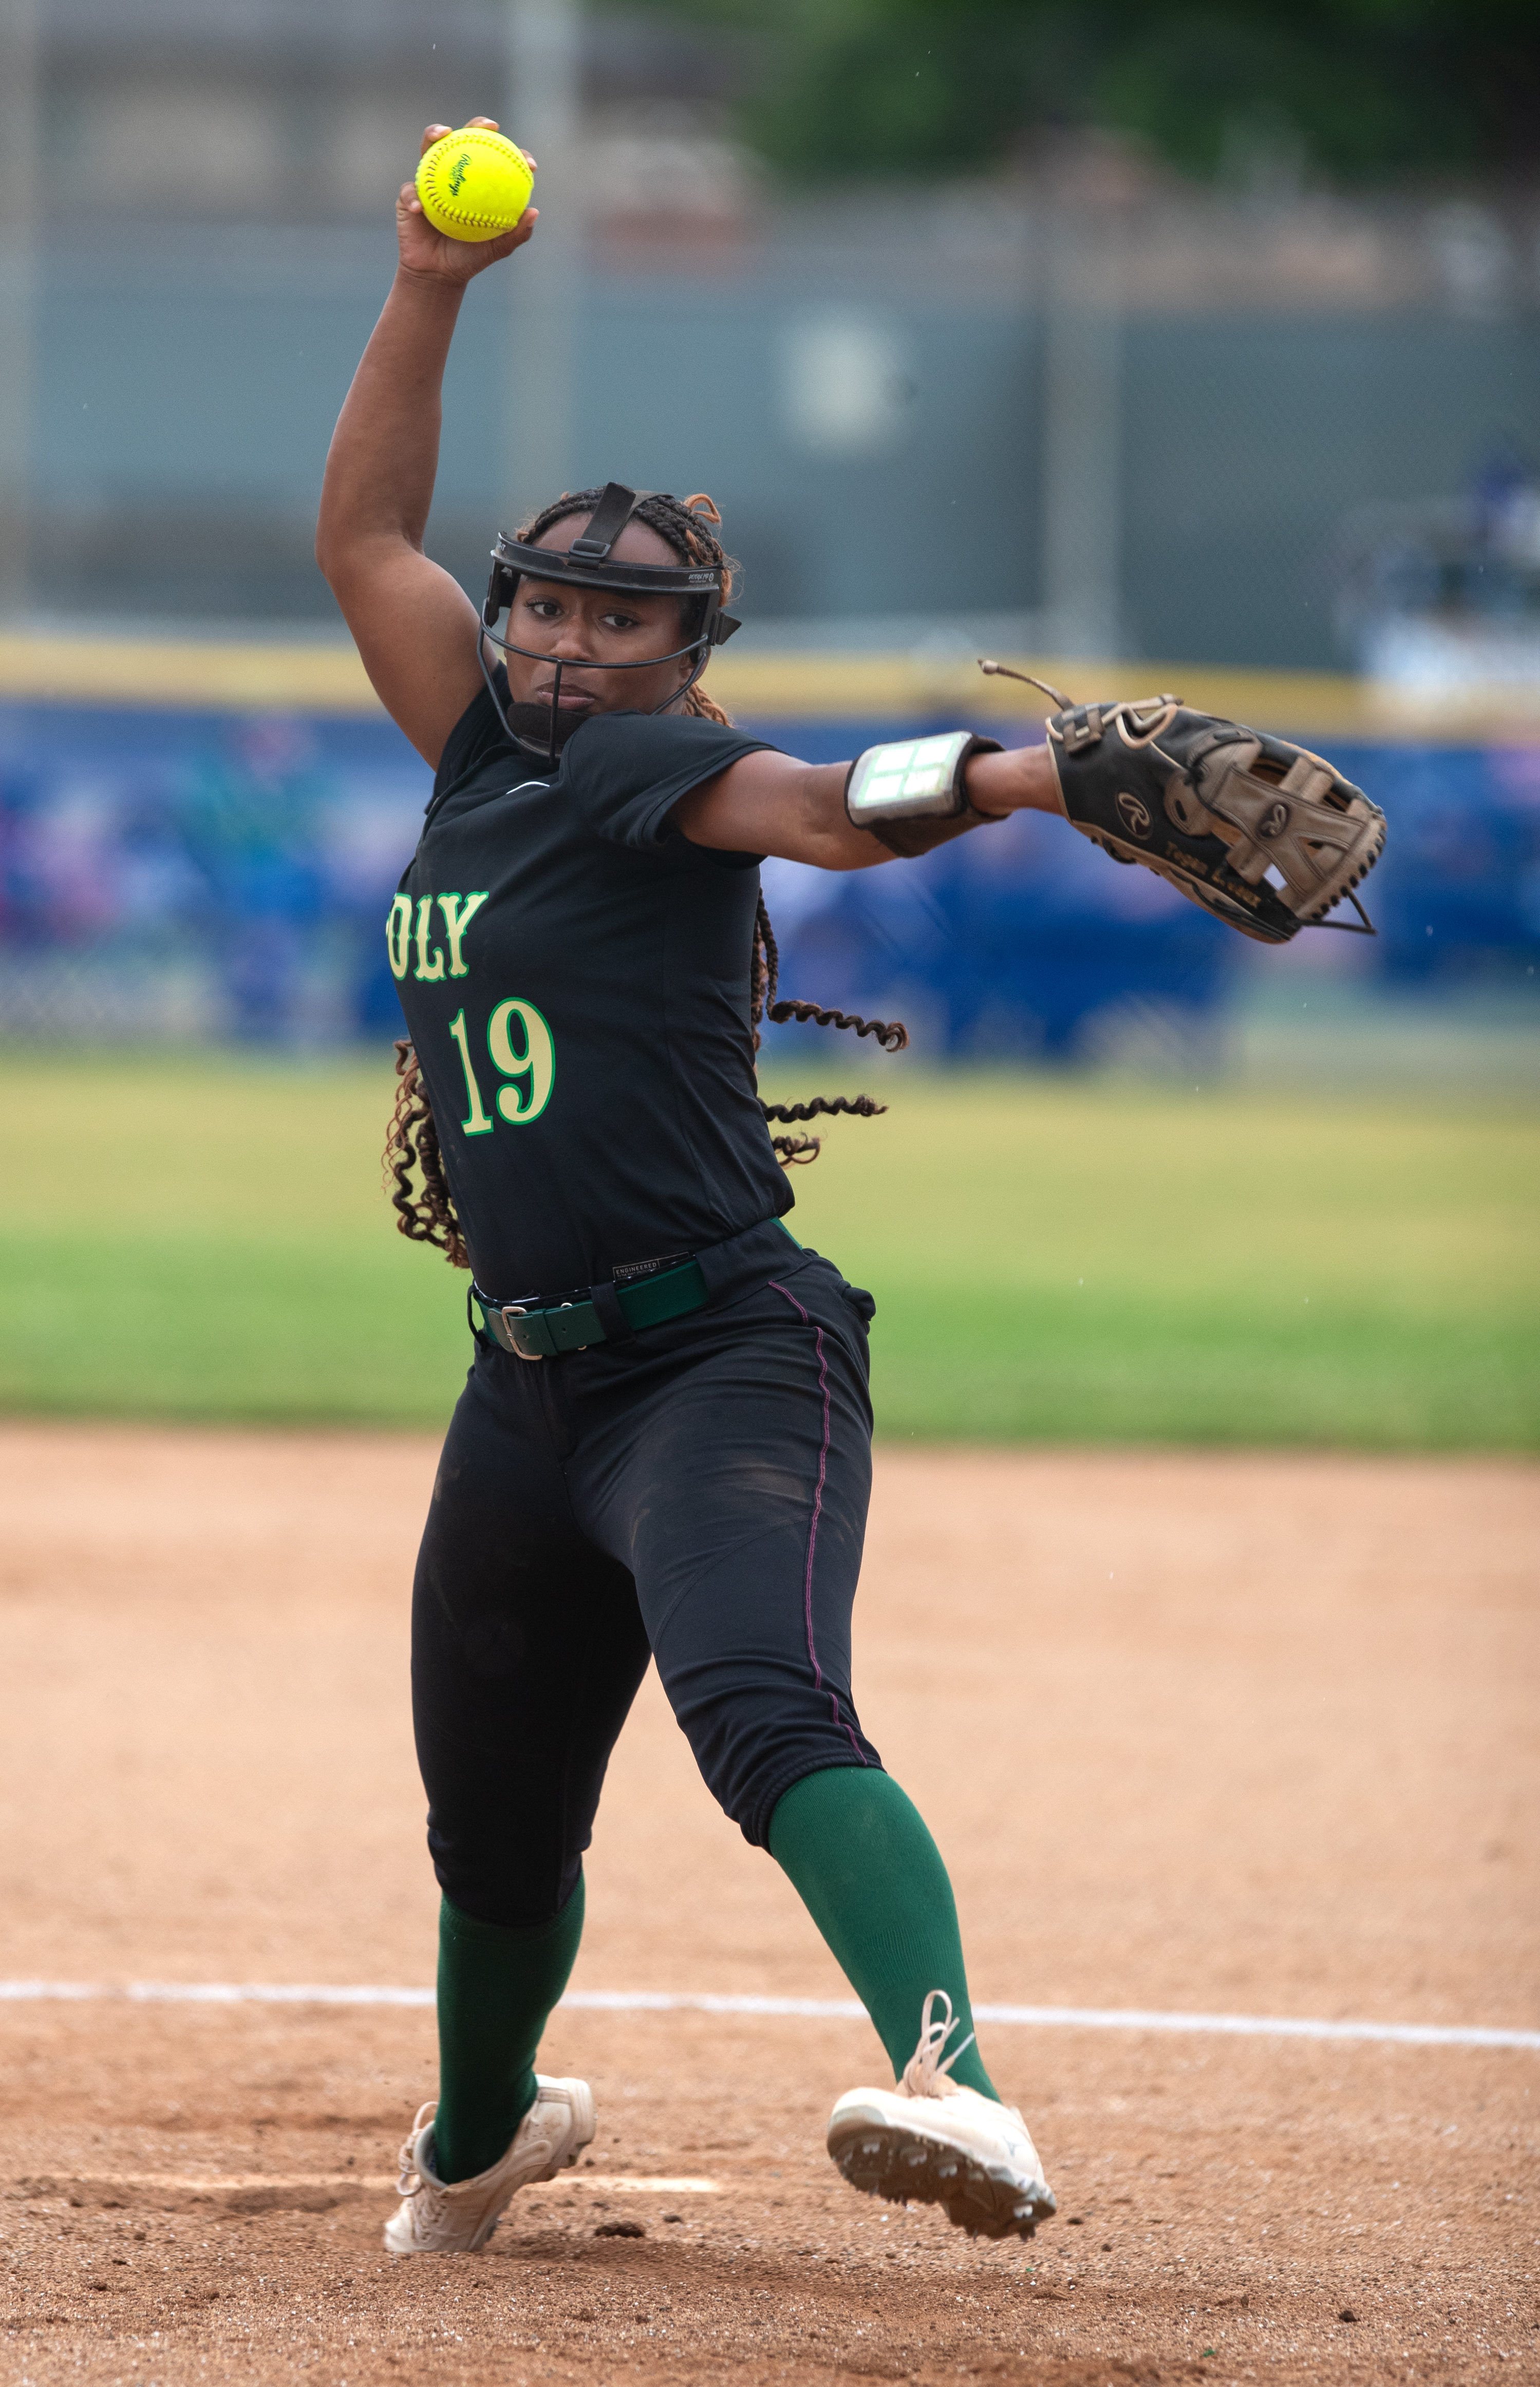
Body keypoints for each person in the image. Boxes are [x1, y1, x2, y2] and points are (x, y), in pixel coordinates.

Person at [316, 118, 1072, 2262]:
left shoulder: (658, 771)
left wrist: (1040, 770)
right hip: (525, 1386)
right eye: (545, 601)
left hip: (724, 1359)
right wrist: (433, 285)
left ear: (683, 652)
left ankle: (966, 2089)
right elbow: (367, 530)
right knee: (493, 1830)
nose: (565, 642)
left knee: (761, 1714)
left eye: (618, 622)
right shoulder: (482, 754)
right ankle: (477, 2136)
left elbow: (835, 811)